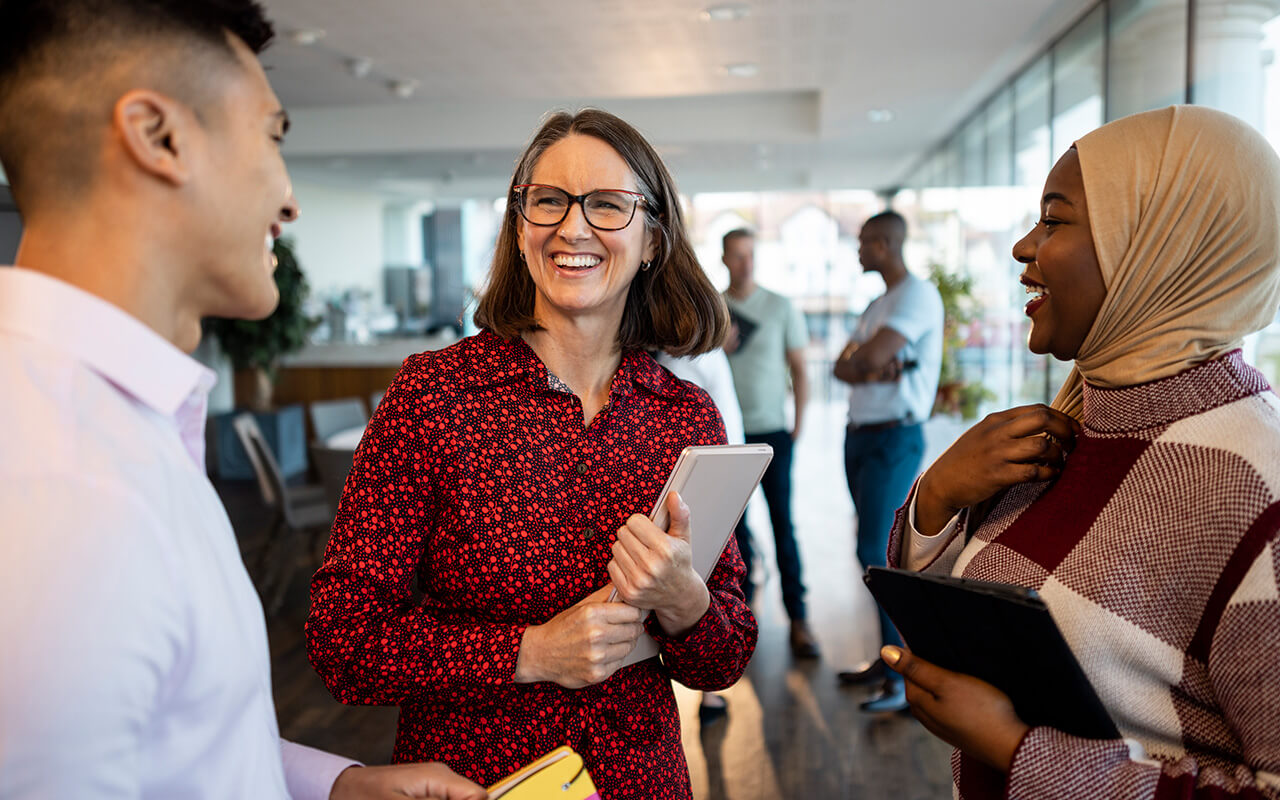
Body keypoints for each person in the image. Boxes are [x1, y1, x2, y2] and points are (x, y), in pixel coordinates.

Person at [0, 2, 486, 799]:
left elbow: (179, 741)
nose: (291, 200)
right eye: (271, 135)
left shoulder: (118, 429)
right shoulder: (63, 489)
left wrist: (334, 784)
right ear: (159, 137)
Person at [306, 109, 757, 800]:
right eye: (548, 201)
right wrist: (529, 653)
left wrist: (684, 600)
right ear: (520, 228)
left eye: (608, 205)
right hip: (476, 782)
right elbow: (344, 641)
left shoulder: (684, 414)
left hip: (641, 780)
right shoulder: (433, 395)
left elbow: (724, 657)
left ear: (651, 241)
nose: (572, 228)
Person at [881, 106, 1280, 799]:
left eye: (1055, 220)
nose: (1023, 247)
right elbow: (968, 609)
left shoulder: (1253, 490)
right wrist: (940, 494)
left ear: (1157, 247)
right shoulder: (1072, 423)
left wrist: (1017, 750)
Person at [832, 211, 943, 712]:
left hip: (893, 437)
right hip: (860, 436)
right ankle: (888, 658)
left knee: (877, 550)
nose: (857, 250)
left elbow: (868, 361)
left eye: (862, 242)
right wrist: (864, 363)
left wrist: (866, 363)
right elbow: (844, 366)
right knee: (872, 548)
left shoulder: (917, 294)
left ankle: (904, 677)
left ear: (884, 243)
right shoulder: (879, 303)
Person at [721, 228, 819, 658]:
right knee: (733, 532)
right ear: (724, 259)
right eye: (737, 256)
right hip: (725, 438)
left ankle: (799, 620)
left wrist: (798, 423)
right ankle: (741, 620)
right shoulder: (713, 309)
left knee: (783, 524)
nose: (745, 264)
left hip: (772, 432)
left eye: (750, 256)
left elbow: (799, 367)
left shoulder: (780, 307)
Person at [654, 346, 752, 725]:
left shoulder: (699, 363)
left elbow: (727, 426)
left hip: (711, 481)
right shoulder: (658, 361)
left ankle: (711, 697)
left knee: (712, 579)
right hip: (689, 484)